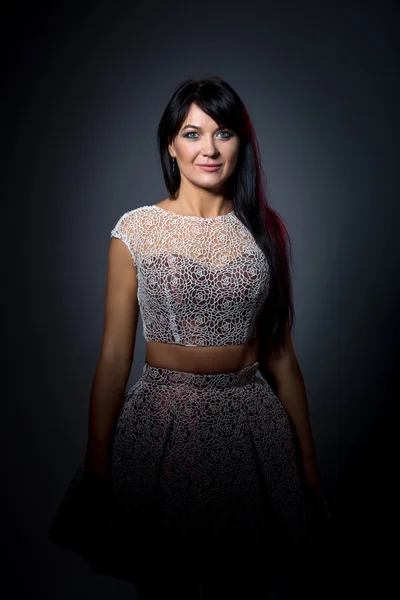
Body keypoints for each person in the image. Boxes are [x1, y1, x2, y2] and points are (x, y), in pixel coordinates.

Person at [48, 76, 333, 599]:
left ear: (241, 143)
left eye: (223, 133)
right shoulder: (135, 230)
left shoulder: (265, 230)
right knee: (165, 585)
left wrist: (310, 470)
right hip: (164, 425)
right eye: (193, 133)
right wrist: (97, 462)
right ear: (171, 145)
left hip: (252, 428)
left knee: (243, 585)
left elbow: (282, 357)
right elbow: (114, 357)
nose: (209, 148)